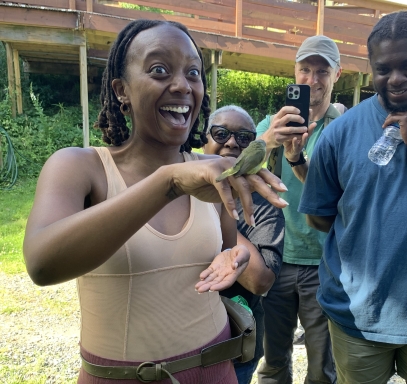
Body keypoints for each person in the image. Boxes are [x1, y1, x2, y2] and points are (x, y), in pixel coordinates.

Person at [22, 19, 287, 384]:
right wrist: (170, 181)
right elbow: (41, 264)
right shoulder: (80, 167)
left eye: (193, 73)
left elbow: (228, 249)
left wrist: (236, 256)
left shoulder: (208, 171)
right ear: (121, 90)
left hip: (216, 370)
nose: (181, 85)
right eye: (159, 69)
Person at [299, 10, 407, 384]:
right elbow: (319, 215)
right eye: (384, 69)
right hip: (356, 319)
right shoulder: (339, 134)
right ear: (370, 67)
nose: (396, 79)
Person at [256, 35, 342, 384]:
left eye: (322, 70)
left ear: (338, 74)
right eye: (305, 69)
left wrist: (296, 159)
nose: (312, 79)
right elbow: (242, 172)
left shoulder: (342, 130)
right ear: (294, 72)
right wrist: (268, 141)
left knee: (323, 368)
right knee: (272, 362)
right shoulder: (269, 125)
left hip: (323, 262)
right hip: (274, 258)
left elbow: (336, 197)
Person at [202, 104, 285, 384]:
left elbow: (262, 282)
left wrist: (216, 211)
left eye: (244, 137)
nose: (232, 142)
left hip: (235, 347)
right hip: (176, 344)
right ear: (204, 139)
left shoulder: (263, 204)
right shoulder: (175, 190)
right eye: (221, 133)